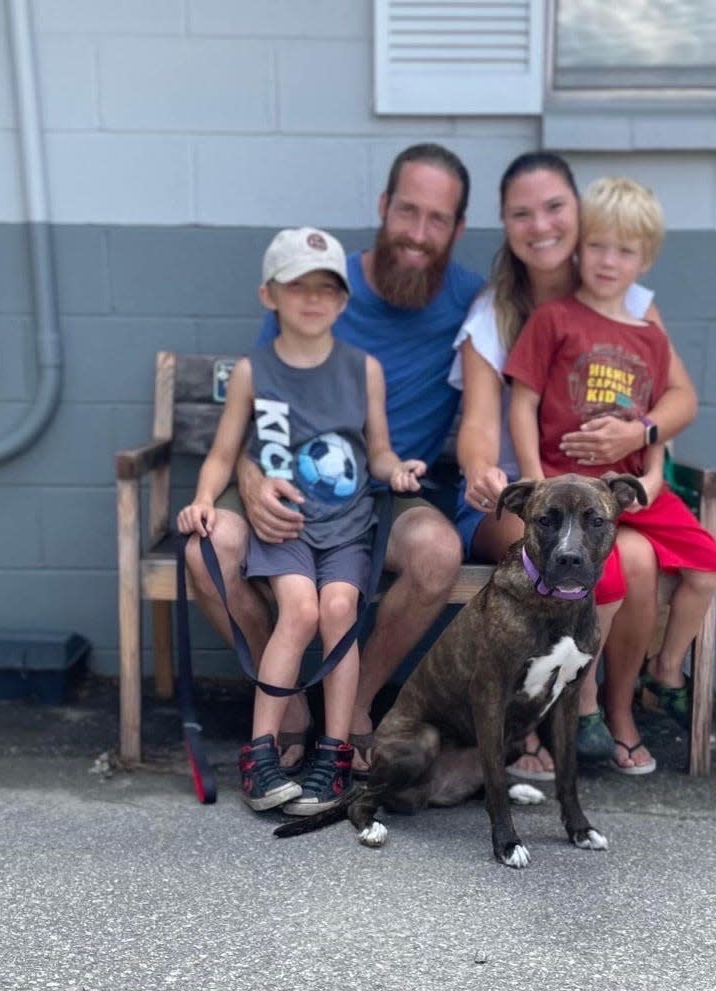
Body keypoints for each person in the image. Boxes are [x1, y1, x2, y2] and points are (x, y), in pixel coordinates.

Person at [183, 144, 485, 779]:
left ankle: (354, 710)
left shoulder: (469, 300)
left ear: (458, 229)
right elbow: (258, 412)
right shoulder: (318, 283)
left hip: (381, 486)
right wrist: (251, 479)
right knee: (208, 555)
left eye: (438, 219)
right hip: (286, 477)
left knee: (436, 552)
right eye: (408, 211)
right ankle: (290, 704)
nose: (419, 233)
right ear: (383, 207)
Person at [449, 151, 700, 777]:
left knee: (636, 558)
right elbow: (480, 423)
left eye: (555, 207)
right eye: (521, 213)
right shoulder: (495, 314)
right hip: (518, 495)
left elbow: (680, 397)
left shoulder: (631, 301)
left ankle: (612, 714)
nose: (541, 225)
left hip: (599, 497)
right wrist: (486, 470)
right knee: (563, 552)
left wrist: (636, 433)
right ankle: (534, 721)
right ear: (505, 224)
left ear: (579, 215)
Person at [177, 226, 425, 813]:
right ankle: (261, 754)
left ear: (343, 301)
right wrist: (205, 498)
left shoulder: (363, 369)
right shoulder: (252, 372)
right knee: (301, 608)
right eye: (297, 287)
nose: (312, 300)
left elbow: (379, 449)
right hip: (282, 525)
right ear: (270, 296)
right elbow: (221, 451)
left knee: (340, 611)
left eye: (326, 289)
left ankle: (332, 756)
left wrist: (397, 473)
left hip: (345, 525)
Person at [504, 175, 716, 773]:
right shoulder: (554, 319)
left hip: (630, 491)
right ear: (579, 247)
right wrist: (532, 483)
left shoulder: (649, 336)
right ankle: (585, 698)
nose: (608, 261)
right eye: (598, 246)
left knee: (707, 564)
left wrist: (652, 466)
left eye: (624, 252)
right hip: (569, 489)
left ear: (644, 260)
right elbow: (521, 402)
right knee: (607, 578)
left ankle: (666, 670)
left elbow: (663, 413)